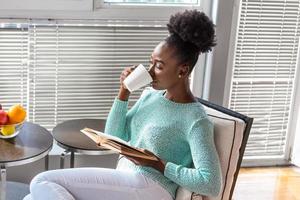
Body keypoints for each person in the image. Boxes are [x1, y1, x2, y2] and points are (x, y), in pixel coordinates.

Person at [24, 9, 221, 200]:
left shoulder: (196, 119)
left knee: (41, 182)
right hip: (125, 179)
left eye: (159, 66)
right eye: (150, 62)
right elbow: (114, 136)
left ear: (182, 71)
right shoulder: (150, 96)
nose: (150, 71)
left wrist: (158, 164)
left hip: (153, 188)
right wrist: (124, 91)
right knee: (31, 197)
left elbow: (211, 182)